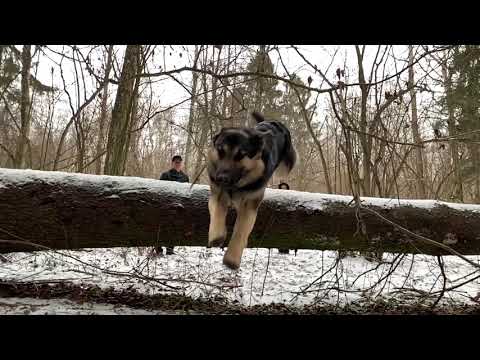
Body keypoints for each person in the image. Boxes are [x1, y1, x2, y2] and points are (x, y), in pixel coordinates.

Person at [156, 155, 190, 255]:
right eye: (176, 162)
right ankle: (158, 248)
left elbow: (187, 192)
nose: (177, 164)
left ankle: (170, 249)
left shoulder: (185, 177)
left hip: (179, 207)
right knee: (163, 227)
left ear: (181, 164)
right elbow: (160, 190)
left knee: (175, 228)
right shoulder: (165, 175)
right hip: (166, 206)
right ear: (172, 163)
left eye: (179, 162)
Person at [277, 182, 291, 255]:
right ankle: (280, 249)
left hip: (287, 219)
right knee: (280, 233)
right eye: (282, 188)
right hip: (279, 219)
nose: (283, 190)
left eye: (285, 188)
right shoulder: (277, 197)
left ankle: (286, 249)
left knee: (287, 234)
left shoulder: (290, 197)